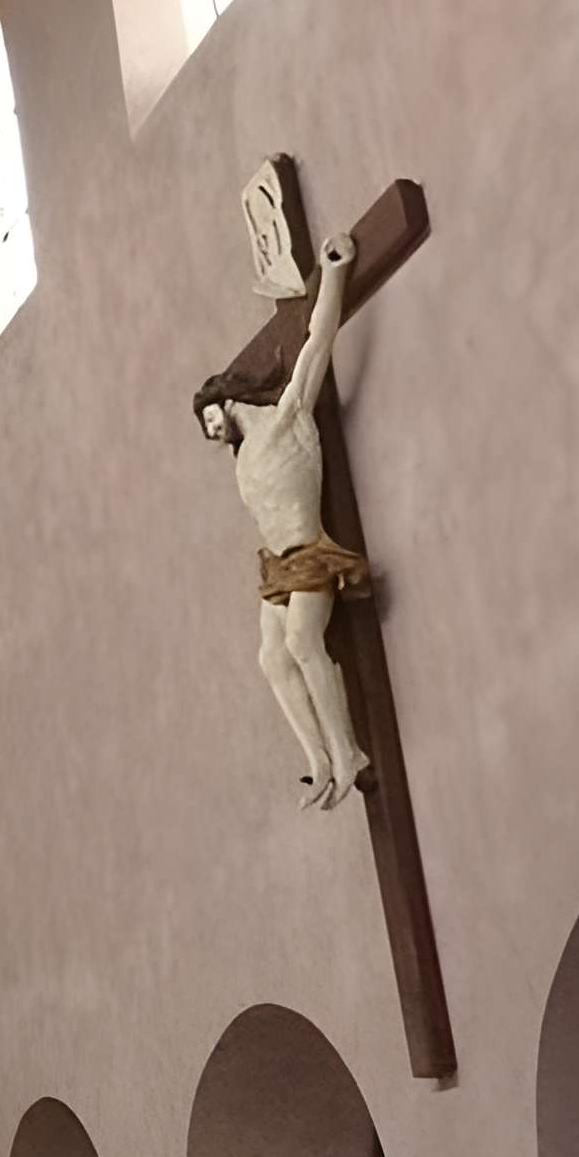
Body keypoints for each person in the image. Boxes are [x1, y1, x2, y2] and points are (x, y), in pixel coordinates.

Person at [193, 234, 370, 809]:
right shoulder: (242, 456)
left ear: (225, 405)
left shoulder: (287, 414)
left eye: (210, 420)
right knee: (271, 658)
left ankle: (348, 754)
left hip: (309, 551)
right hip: (276, 566)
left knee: (301, 641)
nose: (212, 434)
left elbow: (318, 342)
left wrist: (333, 273)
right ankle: (317, 760)